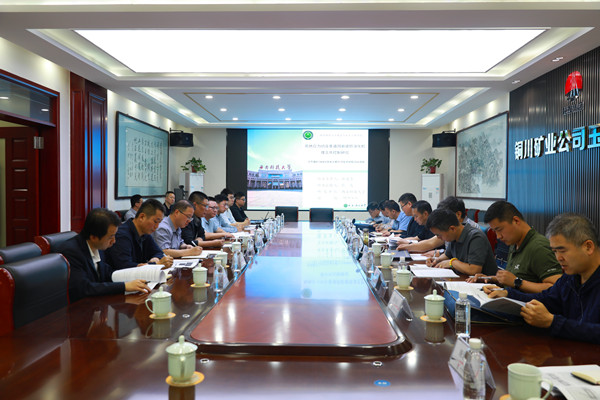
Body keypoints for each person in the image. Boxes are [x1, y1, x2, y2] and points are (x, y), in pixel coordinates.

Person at [484, 213, 600, 344]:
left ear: (588, 247)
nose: (558, 258)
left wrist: (553, 322)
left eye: (562, 251)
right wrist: (508, 294)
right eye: (555, 251)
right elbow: (547, 298)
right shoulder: (570, 278)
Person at [468, 201, 562, 293]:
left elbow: (556, 289)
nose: (498, 236)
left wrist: (517, 282)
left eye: (499, 230)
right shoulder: (514, 243)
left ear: (516, 221)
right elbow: (514, 280)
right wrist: (491, 279)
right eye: (494, 232)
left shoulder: (539, 247)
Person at [59, 208, 150, 303]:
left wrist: (135, 272)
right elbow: (85, 288)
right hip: (78, 307)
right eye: (110, 237)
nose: (114, 241)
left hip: (97, 304)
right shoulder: (71, 252)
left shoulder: (98, 245)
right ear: (93, 237)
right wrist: (124, 286)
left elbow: (107, 272)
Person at [425, 208, 497, 276]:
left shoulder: (476, 237)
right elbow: (447, 255)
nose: (438, 238)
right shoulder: (454, 236)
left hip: (484, 283)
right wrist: (436, 260)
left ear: (452, 229)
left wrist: (452, 263)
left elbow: (474, 270)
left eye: (439, 235)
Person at [105, 199, 173, 269]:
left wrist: (156, 258)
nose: (157, 226)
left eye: (159, 222)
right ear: (142, 217)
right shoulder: (121, 235)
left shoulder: (145, 232)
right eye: (155, 221)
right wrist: (155, 264)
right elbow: (125, 267)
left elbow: (159, 252)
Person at [406, 196, 479, 254]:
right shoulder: (450, 227)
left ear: (458, 214)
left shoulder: (471, 230)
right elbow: (431, 242)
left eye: (445, 217)